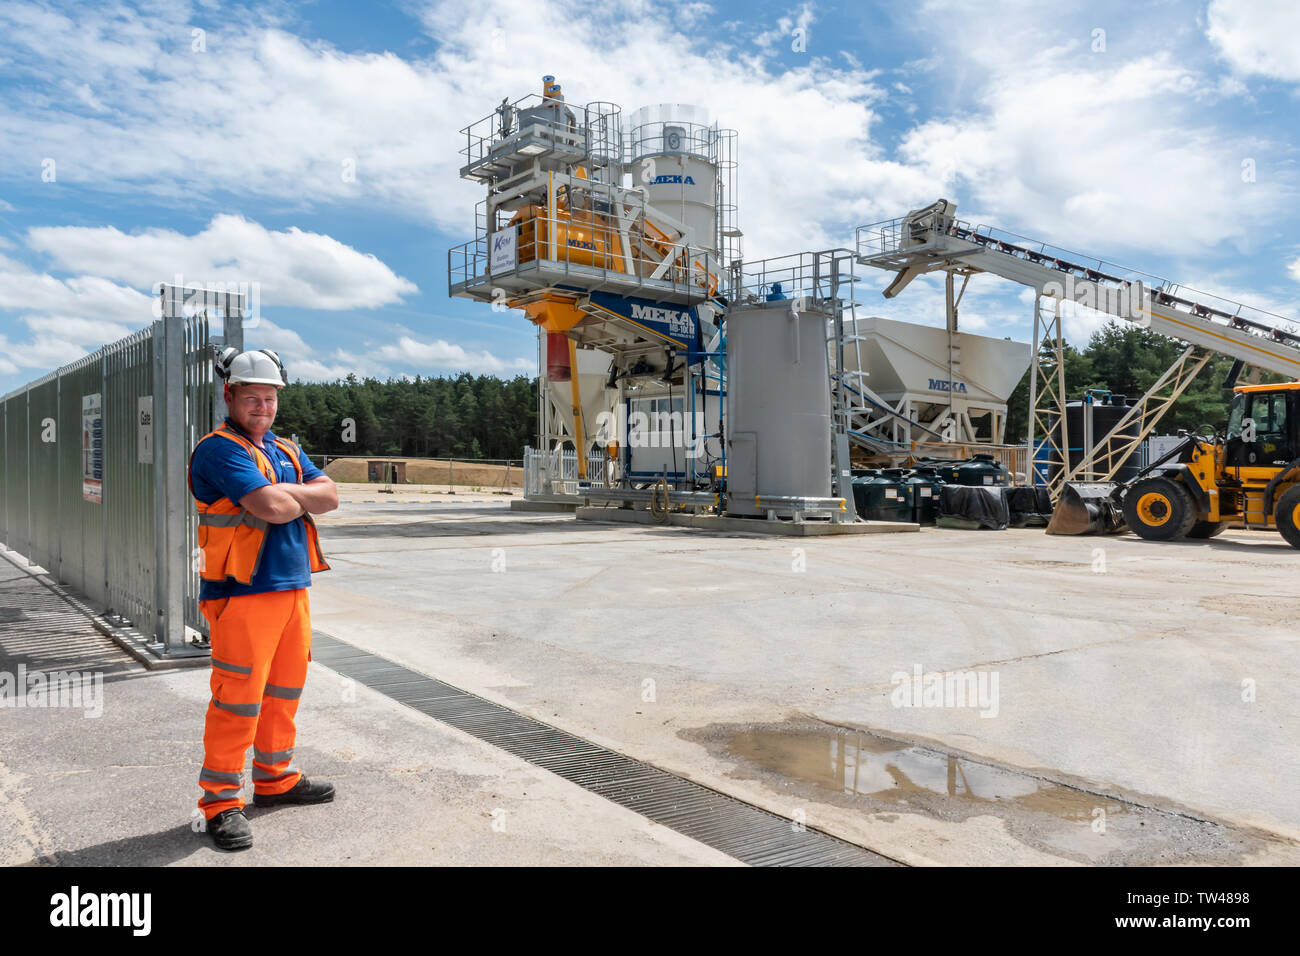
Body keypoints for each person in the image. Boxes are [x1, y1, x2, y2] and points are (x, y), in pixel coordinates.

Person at [187, 347, 340, 851]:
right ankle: (220, 802)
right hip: (242, 592)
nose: (262, 406)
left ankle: (275, 780)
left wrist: (289, 492)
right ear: (229, 396)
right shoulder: (218, 449)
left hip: (292, 586)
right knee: (238, 698)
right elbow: (272, 508)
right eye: (251, 397)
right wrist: (298, 494)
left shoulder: (285, 448)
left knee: (284, 690)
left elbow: (332, 495)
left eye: (269, 397)